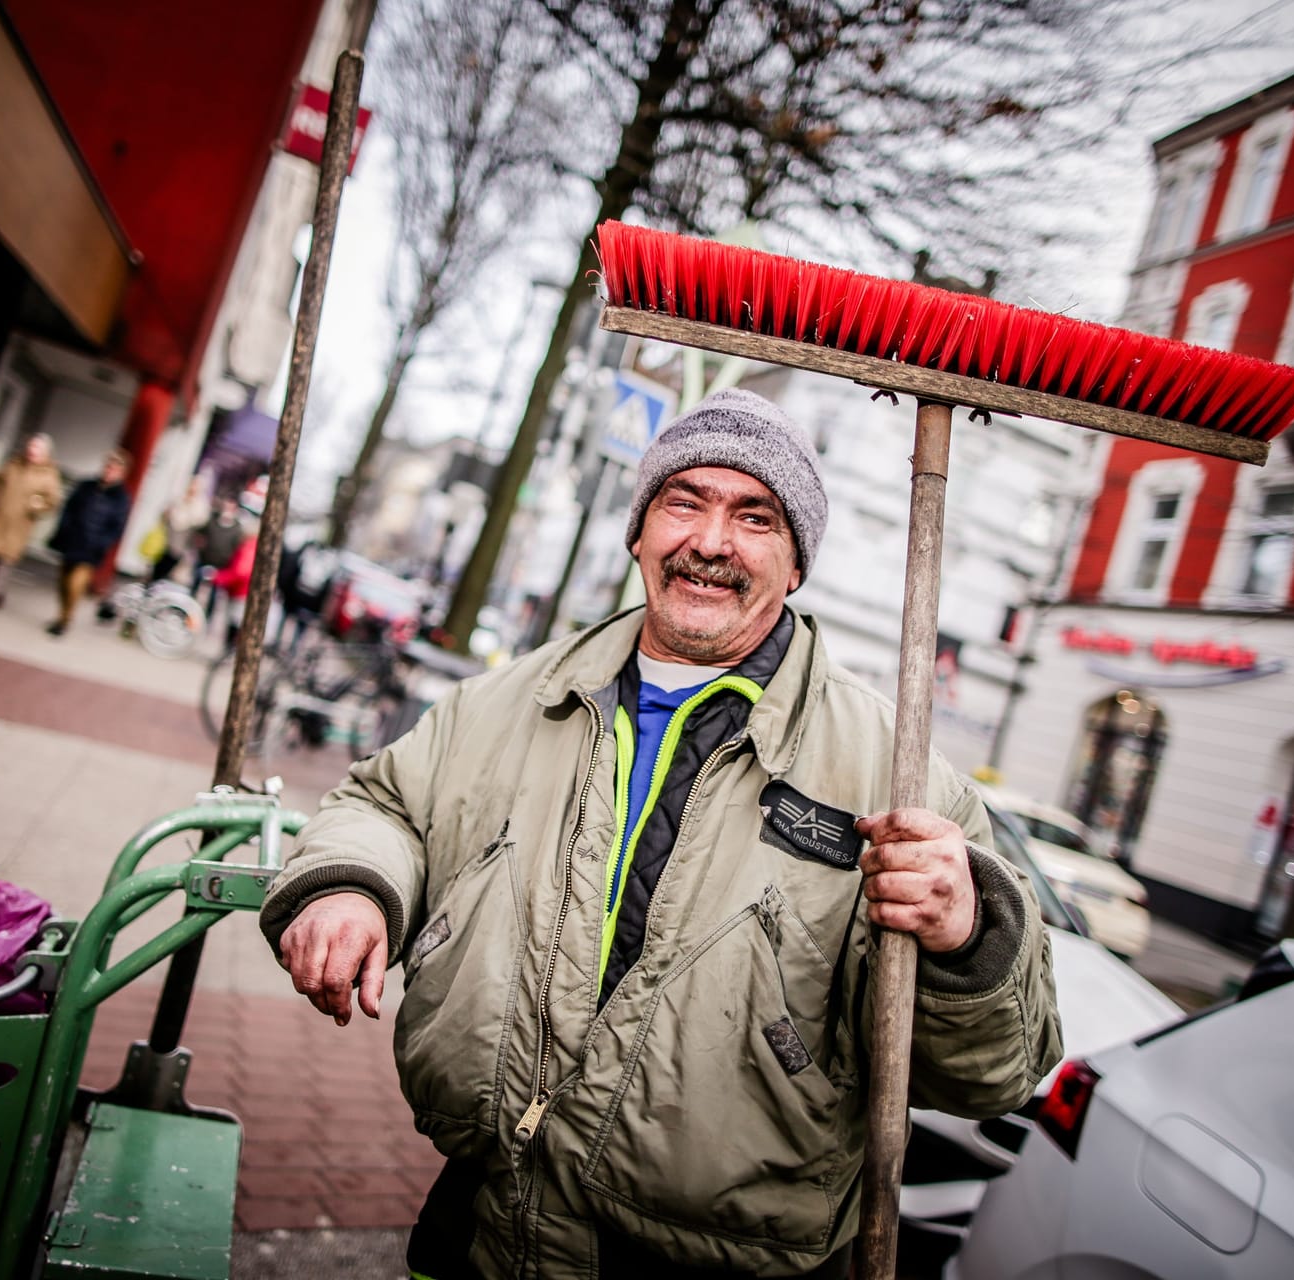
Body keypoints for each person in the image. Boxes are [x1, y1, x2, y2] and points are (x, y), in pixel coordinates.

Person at [259, 389, 1062, 1279]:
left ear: (795, 565)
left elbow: (993, 1075)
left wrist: (964, 939)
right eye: (684, 501)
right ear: (640, 533)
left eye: (754, 516)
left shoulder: (899, 773)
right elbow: (385, 806)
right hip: (484, 1219)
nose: (711, 542)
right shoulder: (519, 694)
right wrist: (350, 885)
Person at [45, 449, 130, 637]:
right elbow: (69, 509)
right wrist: (64, 529)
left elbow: (117, 526)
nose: (109, 471)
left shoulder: (121, 498)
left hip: (91, 547)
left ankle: (65, 618)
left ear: (121, 473)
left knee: (76, 583)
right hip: (72, 539)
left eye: (114, 469)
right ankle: (62, 612)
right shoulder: (86, 486)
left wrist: (102, 543)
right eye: (108, 467)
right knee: (63, 580)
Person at [0, 433, 62, 610]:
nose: (31, 450)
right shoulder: (13, 464)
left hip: (19, 524)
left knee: (5, 560)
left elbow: (52, 501)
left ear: (45, 453)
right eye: (31, 446)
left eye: (36, 448)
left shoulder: (48, 475)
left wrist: (37, 506)